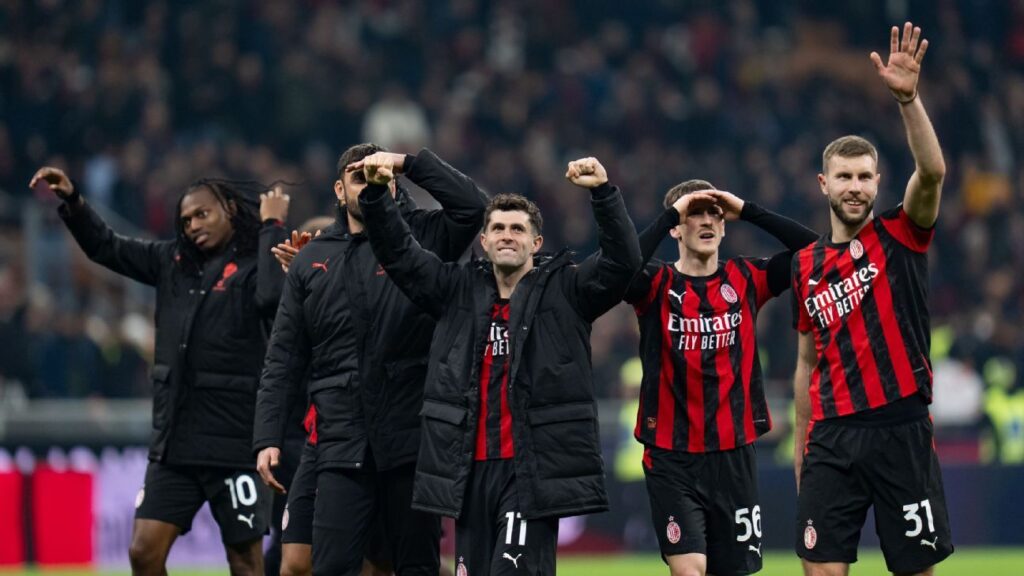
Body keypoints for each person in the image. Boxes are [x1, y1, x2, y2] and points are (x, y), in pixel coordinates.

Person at [357, 155, 641, 576]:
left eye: (518, 229)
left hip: (529, 474)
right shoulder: (454, 291)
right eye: (498, 228)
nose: (508, 236)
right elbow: (400, 254)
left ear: (536, 243)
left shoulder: (566, 292)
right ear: (484, 241)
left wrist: (602, 193)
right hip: (468, 473)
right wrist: (380, 193)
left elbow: (623, 263)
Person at [30, 167, 291, 576]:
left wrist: (273, 226)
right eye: (186, 220)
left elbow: (273, 298)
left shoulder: (255, 265)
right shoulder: (171, 262)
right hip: (176, 445)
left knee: (245, 560)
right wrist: (75, 202)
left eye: (202, 214)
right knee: (143, 551)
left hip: (235, 443)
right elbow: (106, 247)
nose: (192, 226)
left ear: (231, 209)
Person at [254, 144, 488, 576]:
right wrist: (267, 436)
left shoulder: (424, 236)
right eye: (358, 177)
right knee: (332, 567)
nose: (369, 184)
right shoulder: (312, 259)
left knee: (414, 565)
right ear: (339, 190)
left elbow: (473, 206)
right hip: (341, 441)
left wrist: (407, 163)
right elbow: (284, 356)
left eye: (378, 176)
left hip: (410, 436)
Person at [791, 22, 953, 576]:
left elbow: (932, 172)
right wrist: (801, 452)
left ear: (879, 182)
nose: (855, 186)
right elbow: (806, 363)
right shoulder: (805, 266)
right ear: (823, 184)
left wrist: (908, 100)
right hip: (832, 438)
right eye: (844, 177)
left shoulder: (902, 234)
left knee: (915, 569)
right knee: (821, 569)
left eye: (864, 176)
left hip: (901, 429)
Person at [624, 181, 817, 576]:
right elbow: (619, 268)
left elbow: (817, 251)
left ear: (725, 225)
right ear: (677, 227)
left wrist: (747, 209)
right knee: (690, 569)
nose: (707, 220)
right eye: (695, 213)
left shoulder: (746, 277)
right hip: (670, 455)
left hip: (734, 456)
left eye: (715, 213)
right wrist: (665, 217)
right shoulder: (655, 285)